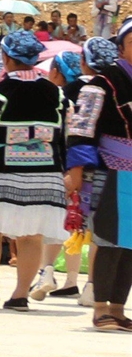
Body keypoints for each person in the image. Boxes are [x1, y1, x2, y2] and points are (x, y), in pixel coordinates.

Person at [0, 32, 70, 310]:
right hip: (46, 173)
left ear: (7, 58)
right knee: (32, 235)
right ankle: (20, 294)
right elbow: (67, 133)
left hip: (3, 169)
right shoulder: (56, 93)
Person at [64, 33, 132, 331]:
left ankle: (118, 308)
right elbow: (81, 128)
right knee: (108, 240)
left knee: (130, 244)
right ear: (121, 48)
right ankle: (101, 308)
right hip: (110, 167)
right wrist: (75, 169)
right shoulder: (101, 83)